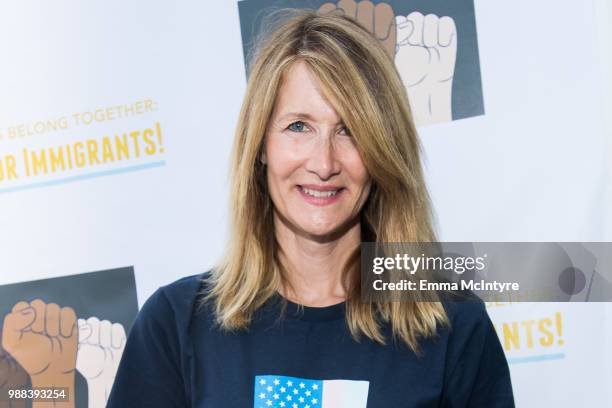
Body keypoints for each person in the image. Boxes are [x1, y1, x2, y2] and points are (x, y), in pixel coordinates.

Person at [107, 8, 514, 408]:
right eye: (298, 126)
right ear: (261, 146)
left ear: (382, 152)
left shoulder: (454, 325)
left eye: (350, 130)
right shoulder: (176, 326)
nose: (324, 163)